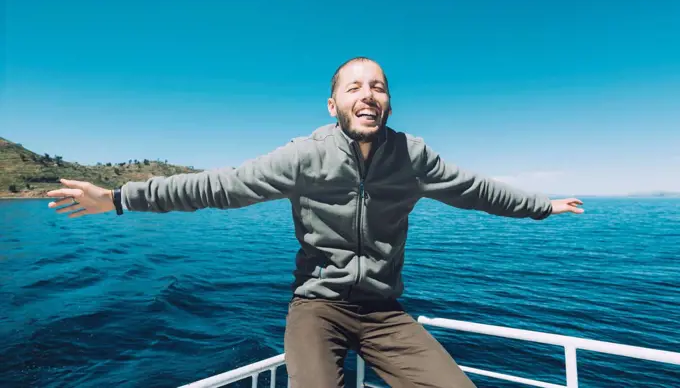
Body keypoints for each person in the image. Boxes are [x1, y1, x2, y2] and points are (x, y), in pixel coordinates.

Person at [47, 57, 584, 388]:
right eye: (354, 87)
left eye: (377, 86)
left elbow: (476, 190)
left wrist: (542, 206)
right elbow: (217, 186)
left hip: (386, 313)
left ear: (389, 102)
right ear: (334, 104)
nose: (367, 95)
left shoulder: (413, 157)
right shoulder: (304, 156)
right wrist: (119, 199)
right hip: (317, 307)